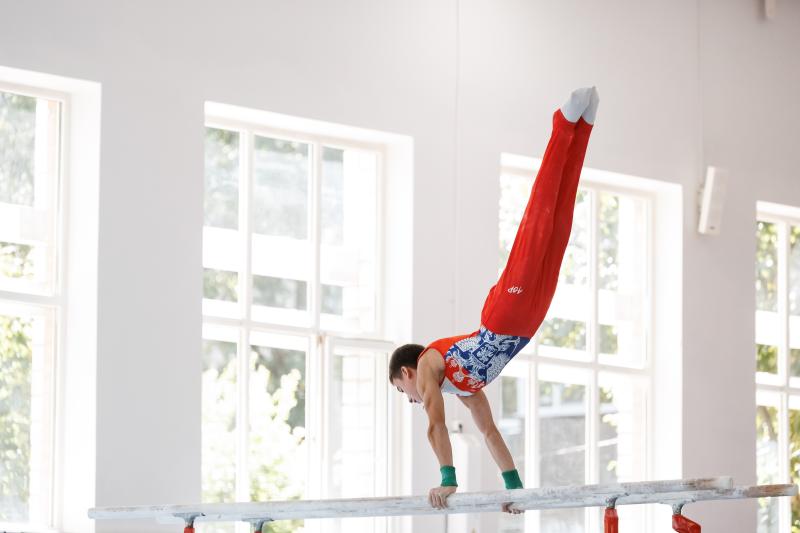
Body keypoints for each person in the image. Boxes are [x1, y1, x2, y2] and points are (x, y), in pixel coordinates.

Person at [389, 86, 599, 513]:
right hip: (528, 323)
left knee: (539, 221)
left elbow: (434, 425)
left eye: (401, 389)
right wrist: (513, 489)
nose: (410, 398)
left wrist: (448, 479)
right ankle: (584, 130)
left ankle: (564, 123)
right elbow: (489, 434)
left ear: (408, 372)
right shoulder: (466, 388)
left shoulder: (429, 363)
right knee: (560, 225)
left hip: (503, 313)